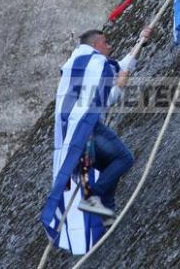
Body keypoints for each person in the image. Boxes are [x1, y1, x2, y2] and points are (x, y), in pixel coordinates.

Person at [69, 27, 151, 220]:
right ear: (96, 45)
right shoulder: (96, 68)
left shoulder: (84, 66)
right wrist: (121, 84)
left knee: (110, 166)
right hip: (88, 126)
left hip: (74, 133)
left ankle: (106, 213)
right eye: (106, 43)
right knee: (125, 158)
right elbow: (110, 95)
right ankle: (92, 197)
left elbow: (121, 66)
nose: (110, 46)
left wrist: (141, 42)